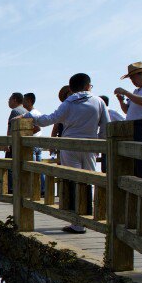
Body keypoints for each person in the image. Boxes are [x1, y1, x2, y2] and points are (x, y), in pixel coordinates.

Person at [29, 73, 107, 234]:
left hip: (69, 146)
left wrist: (32, 115)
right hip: (90, 146)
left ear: (71, 88)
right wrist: (100, 143)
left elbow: (49, 119)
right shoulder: (98, 101)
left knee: (73, 181)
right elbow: (106, 126)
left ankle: (77, 223)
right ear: (87, 86)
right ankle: (89, 218)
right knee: (89, 181)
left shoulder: (69, 102)